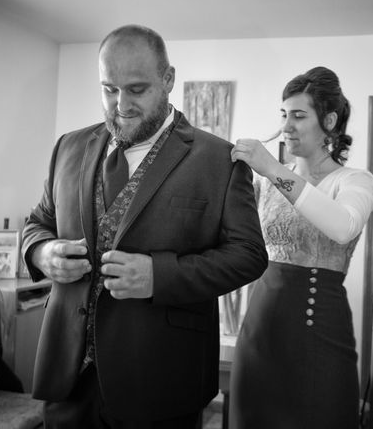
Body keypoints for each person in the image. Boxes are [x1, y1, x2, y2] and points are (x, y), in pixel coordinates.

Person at [21, 24, 267, 429]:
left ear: (168, 79)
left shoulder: (219, 159)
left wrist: (160, 275)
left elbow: (248, 256)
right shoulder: (68, 146)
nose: (121, 105)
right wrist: (42, 253)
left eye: (136, 89)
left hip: (162, 381)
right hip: (67, 378)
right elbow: (38, 224)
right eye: (108, 89)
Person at [229, 66, 373, 428]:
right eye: (283, 115)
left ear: (328, 121)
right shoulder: (265, 183)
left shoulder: (354, 180)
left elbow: (343, 227)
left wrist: (271, 168)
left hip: (319, 332)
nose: (286, 126)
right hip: (260, 331)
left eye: (298, 115)